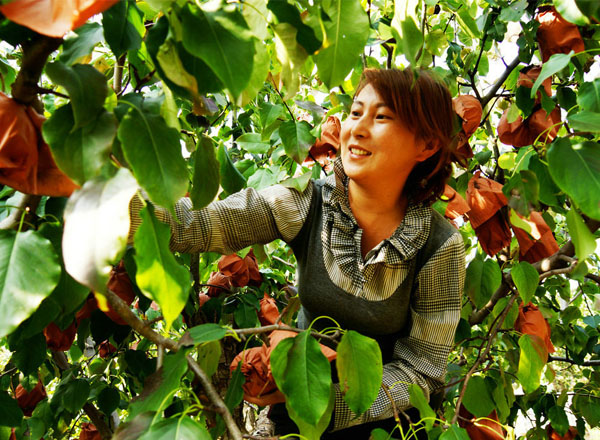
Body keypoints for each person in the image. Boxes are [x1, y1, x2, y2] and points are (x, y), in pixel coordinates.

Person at [130, 68, 465, 438]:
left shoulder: (439, 245)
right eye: (355, 113)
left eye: (381, 116)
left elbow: (423, 369)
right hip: (294, 418)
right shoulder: (309, 201)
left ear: (426, 146)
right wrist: (105, 197)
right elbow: (200, 224)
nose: (358, 128)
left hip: (388, 429)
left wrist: (329, 403)